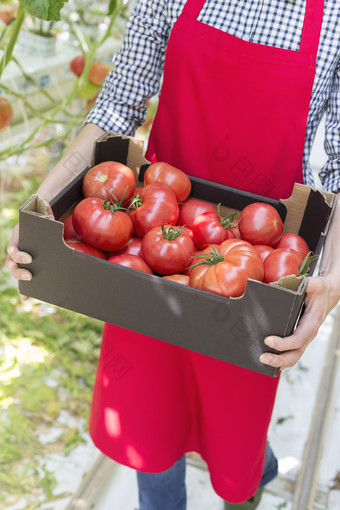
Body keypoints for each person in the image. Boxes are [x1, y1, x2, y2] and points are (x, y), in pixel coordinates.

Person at [6, 0, 340, 509]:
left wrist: (333, 277)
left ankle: (252, 481)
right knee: (149, 422)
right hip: (151, 248)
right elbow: (117, 107)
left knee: (237, 433)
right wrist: (43, 204)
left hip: (254, 276)